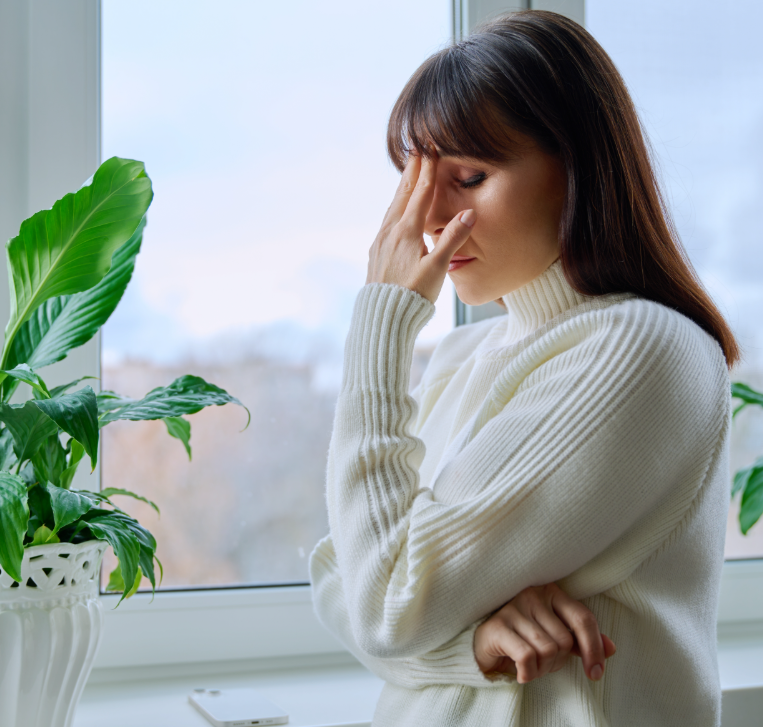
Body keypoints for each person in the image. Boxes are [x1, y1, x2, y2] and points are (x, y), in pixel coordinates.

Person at [309, 10, 736, 726]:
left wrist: (381, 321)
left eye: (469, 176)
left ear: (577, 166)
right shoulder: (462, 354)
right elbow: (339, 580)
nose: (429, 218)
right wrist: (470, 644)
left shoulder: (641, 348)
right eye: (416, 179)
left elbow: (383, 604)